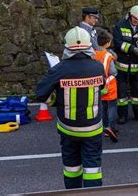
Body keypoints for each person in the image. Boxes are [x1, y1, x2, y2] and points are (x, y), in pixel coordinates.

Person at [36, 26, 105, 189]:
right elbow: (101, 88)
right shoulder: (97, 67)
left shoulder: (60, 69)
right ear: (89, 46)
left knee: (72, 168)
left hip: (68, 129)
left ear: (67, 46)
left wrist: (55, 100)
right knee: (93, 168)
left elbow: (40, 94)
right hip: (93, 128)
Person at [113, 5, 138, 124]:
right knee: (121, 94)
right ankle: (122, 116)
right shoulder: (120, 26)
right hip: (122, 66)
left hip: (137, 67)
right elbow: (117, 43)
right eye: (135, 19)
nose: (137, 22)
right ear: (129, 15)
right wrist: (132, 49)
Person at [94, 29, 119, 142]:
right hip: (109, 85)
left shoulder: (93, 54)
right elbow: (113, 71)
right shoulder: (108, 56)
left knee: (103, 106)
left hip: (98, 85)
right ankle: (111, 127)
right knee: (112, 107)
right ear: (108, 43)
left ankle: (104, 126)